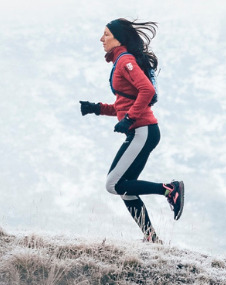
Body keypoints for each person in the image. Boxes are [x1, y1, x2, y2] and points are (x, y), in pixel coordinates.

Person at [79, 18, 185, 242]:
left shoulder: (125, 60)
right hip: (142, 131)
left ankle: (169, 189)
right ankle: (151, 238)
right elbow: (124, 103)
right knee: (125, 188)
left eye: (106, 34)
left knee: (113, 184)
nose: (101, 39)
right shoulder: (120, 61)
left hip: (142, 131)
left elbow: (146, 91)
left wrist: (129, 119)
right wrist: (97, 109)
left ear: (119, 38)